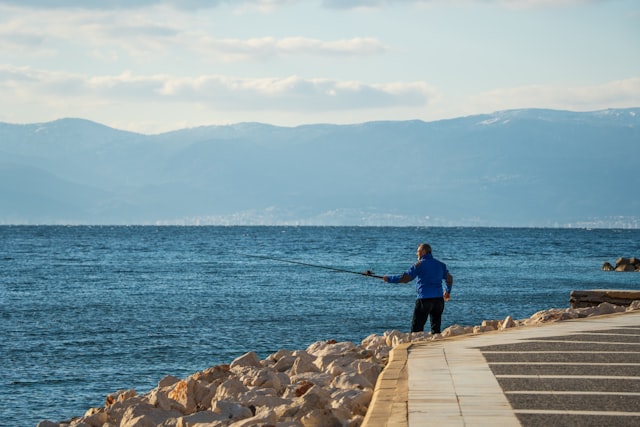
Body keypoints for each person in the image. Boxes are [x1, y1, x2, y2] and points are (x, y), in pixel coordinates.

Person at [383, 243, 453, 334]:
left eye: (418, 251)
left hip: (424, 300)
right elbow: (449, 278)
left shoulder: (419, 265)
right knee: (436, 329)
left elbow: (405, 278)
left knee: (416, 329)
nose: (417, 254)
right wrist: (447, 291)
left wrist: (389, 279)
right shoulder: (441, 265)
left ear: (423, 252)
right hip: (438, 300)